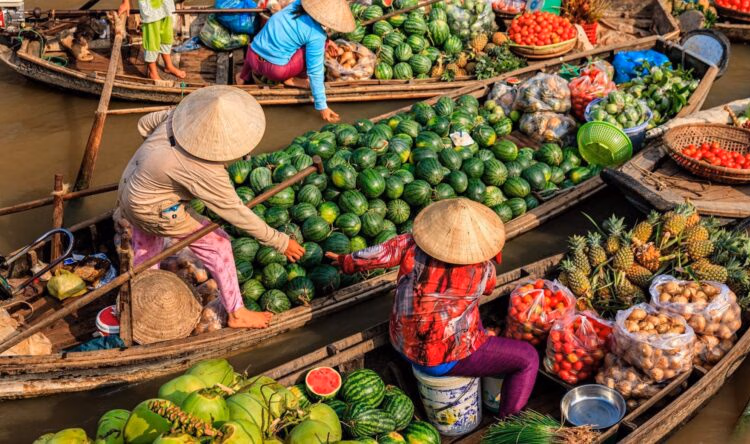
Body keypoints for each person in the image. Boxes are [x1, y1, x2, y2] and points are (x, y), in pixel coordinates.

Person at [326, 199, 539, 417]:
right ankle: (508, 425)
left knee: (472, 320)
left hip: (401, 342)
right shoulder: (483, 271)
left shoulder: (410, 243)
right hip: (439, 359)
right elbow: (487, 290)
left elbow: (379, 253)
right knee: (528, 359)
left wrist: (345, 261)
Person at [117, 85, 305, 329]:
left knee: (148, 244)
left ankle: (143, 297)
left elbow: (144, 124)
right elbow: (235, 212)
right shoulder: (205, 171)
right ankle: (237, 313)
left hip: (129, 187)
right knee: (219, 244)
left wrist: (160, 166)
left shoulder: (175, 117)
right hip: (153, 209)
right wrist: (280, 241)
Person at [235, 0, 355, 123]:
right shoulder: (317, 35)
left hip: (251, 54)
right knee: (317, 49)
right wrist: (322, 106)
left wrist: (328, 41)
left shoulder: (295, 5)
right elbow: (315, 71)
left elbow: (295, 29)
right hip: (275, 71)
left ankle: (243, 77)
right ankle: (295, 79)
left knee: (268, 41)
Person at [118, 0, 186, 80]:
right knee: (152, 40)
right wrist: (125, 2)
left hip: (165, 4)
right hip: (150, 7)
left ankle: (168, 65)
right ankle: (153, 72)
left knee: (166, 36)